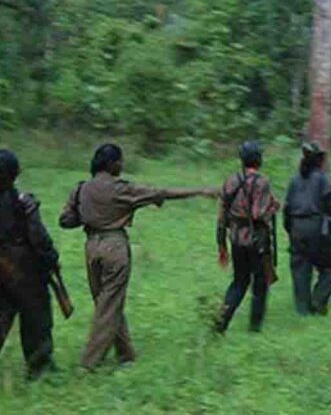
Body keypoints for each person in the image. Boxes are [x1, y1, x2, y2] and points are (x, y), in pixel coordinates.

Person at [59, 143, 217, 370]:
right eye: (120, 161)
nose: (122, 165)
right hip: (115, 246)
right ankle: (89, 364)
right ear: (112, 164)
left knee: (106, 301)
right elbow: (162, 193)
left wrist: (90, 214)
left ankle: (126, 355)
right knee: (109, 304)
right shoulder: (122, 189)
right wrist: (200, 191)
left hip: (91, 246)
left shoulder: (81, 188)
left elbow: (65, 220)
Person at [0, 150, 59, 380]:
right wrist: (50, 258)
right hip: (26, 267)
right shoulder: (25, 202)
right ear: (17, 173)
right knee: (36, 317)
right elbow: (38, 235)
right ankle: (39, 366)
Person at [214, 141, 280, 333]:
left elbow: (222, 216)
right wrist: (274, 207)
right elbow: (258, 214)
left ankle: (221, 321)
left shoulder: (231, 180)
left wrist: (221, 245)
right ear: (259, 159)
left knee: (239, 282)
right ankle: (254, 328)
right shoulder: (262, 182)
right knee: (260, 284)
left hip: (236, 240)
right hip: (257, 241)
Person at [283, 142, 331, 316]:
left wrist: (290, 230)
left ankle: (303, 309)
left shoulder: (294, 180)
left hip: (296, 228)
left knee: (300, 269)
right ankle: (318, 300)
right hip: (317, 228)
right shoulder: (323, 179)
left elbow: (287, 209)